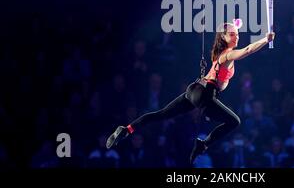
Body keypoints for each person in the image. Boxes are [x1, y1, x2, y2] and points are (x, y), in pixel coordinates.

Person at [106, 22, 275, 164]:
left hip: (193, 89)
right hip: (205, 93)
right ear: (223, 37)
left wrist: (234, 24)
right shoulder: (228, 55)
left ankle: (126, 129)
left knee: (161, 114)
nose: (236, 36)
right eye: (232, 34)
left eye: (237, 34)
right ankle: (202, 144)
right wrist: (265, 40)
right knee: (235, 121)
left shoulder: (219, 53)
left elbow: (230, 34)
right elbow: (247, 51)